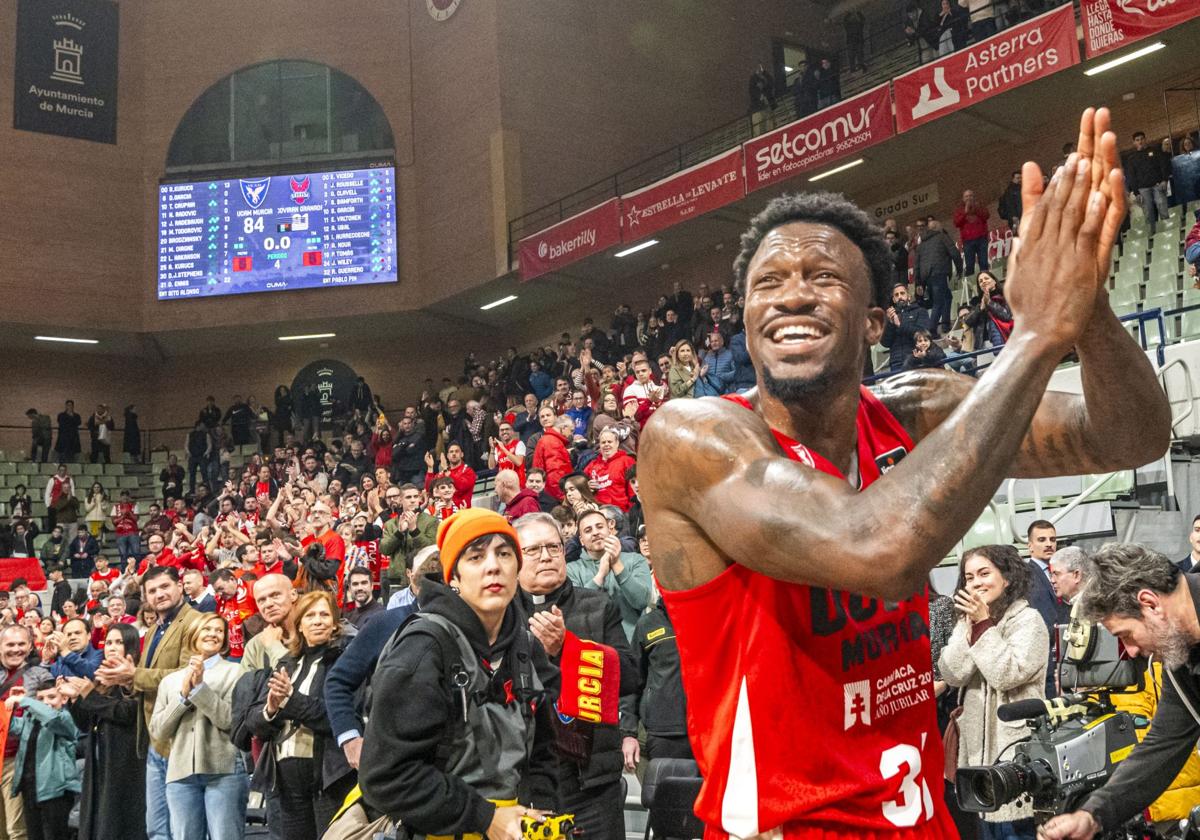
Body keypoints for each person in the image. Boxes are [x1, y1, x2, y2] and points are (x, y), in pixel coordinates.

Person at [636, 109, 1170, 839]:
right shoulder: (693, 437)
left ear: (874, 320)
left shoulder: (914, 410)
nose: (792, 295)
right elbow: (876, 552)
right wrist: (1038, 333)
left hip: (919, 817)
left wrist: (1087, 308)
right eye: (769, 284)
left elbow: (1130, 436)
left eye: (822, 278)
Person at [359, 509, 557, 837]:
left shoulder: (527, 647)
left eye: (504, 554)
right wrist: (485, 817)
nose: (493, 565)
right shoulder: (423, 647)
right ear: (453, 577)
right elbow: (385, 776)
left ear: (517, 568)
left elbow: (544, 755)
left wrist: (543, 814)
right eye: (475, 557)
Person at [1040, 545, 1200, 839]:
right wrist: (1093, 814)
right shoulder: (1181, 658)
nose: (1132, 651)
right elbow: (1164, 744)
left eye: (1125, 635)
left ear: (1150, 603)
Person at [514, 512, 637, 840]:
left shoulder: (598, 605)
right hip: (524, 783)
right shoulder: (501, 614)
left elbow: (630, 676)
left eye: (554, 547)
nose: (546, 556)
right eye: (534, 549)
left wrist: (566, 650)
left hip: (591, 783)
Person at [938, 545, 1046, 839]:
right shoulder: (968, 622)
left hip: (1015, 751)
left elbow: (1007, 674)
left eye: (984, 573)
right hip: (976, 759)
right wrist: (972, 626)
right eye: (968, 577)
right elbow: (952, 673)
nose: (975, 583)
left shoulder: (1029, 621)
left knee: (1016, 830)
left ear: (1007, 578)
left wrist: (984, 625)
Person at [94, 565, 201, 840]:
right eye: (152, 590)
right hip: (156, 740)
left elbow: (188, 676)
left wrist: (135, 675)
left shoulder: (196, 622)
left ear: (181, 586)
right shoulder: (154, 629)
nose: (159, 594)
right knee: (156, 830)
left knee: (184, 830)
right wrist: (126, 681)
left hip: (184, 739)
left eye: (165, 586)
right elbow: (143, 680)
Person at [247, 590, 355, 840]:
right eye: (310, 615)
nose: (318, 621)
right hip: (286, 781)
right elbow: (254, 721)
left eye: (324, 615)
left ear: (335, 623)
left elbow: (338, 717)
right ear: (300, 625)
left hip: (328, 779)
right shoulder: (286, 663)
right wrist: (271, 708)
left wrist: (291, 699)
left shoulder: (344, 661)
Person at [148, 613, 247, 840]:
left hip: (224, 772)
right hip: (180, 775)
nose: (212, 634)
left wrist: (200, 688)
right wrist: (183, 696)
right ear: (194, 634)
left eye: (218, 630)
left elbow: (229, 721)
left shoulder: (236, 672)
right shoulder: (170, 681)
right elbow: (159, 731)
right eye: (206, 629)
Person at [62, 622, 147, 840]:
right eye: (108, 642)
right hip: (99, 762)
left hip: (125, 763)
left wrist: (89, 695)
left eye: (119, 642)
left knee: (117, 823)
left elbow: (127, 713)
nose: (112, 647)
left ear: (131, 646)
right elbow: (84, 724)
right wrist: (75, 699)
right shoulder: (100, 678)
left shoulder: (137, 677)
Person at [5, 670, 82, 840]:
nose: (46, 703)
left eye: (51, 697)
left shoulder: (66, 719)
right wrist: (10, 707)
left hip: (56, 792)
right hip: (30, 788)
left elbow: (52, 718)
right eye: (41, 699)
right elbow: (9, 726)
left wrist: (27, 701)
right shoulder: (31, 719)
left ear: (64, 699)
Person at [0, 625, 53, 840]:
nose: (16, 649)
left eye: (21, 644)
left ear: (30, 646)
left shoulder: (41, 675)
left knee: (17, 830)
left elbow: (53, 714)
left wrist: (26, 702)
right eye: (10, 644)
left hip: (19, 761)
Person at [568, 509, 652, 641]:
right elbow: (576, 611)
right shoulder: (571, 569)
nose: (595, 532)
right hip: (594, 649)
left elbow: (642, 601)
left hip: (634, 645)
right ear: (581, 540)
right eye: (588, 530)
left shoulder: (635, 560)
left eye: (599, 527)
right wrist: (599, 576)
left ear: (610, 530)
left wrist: (617, 564)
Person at [1025, 520, 1070, 697]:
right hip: (1045, 653)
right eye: (1042, 540)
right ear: (1030, 546)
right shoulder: (1026, 575)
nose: (1049, 544)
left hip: (1064, 651)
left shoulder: (1063, 570)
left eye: (1052, 539)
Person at [915, 217, 963, 336]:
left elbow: (917, 265)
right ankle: (932, 329)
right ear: (937, 228)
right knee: (939, 302)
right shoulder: (942, 236)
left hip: (927, 277)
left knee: (947, 296)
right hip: (939, 272)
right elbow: (955, 253)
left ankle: (946, 324)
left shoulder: (921, 245)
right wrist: (960, 269)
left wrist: (919, 283)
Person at [1123, 130, 1171, 229]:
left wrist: (1164, 180)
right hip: (1143, 189)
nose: (1140, 141)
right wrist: (1136, 193)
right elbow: (1132, 177)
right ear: (1134, 142)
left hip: (1158, 185)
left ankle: (1168, 231)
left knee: (1163, 209)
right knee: (1148, 213)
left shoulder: (1155, 151)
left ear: (1145, 140)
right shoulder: (1132, 158)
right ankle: (1153, 236)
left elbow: (1163, 166)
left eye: (1142, 139)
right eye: (1137, 140)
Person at [881, 284, 933, 372]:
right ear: (893, 299)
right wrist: (890, 324)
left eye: (902, 293)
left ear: (909, 296)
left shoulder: (920, 311)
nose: (900, 297)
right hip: (896, 362)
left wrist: (900, 325)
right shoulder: (890, 317)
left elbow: (923, 333)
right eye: (896, 295)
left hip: (916, 358)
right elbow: (885, 343)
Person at [582, 430, 636, 512]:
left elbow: (633, 490)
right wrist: (587, 488)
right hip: (599, 513)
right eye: (603, 442)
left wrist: (632, 512)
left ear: (617, 443)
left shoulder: (627, 461)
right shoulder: (592, 465)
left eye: (609, 442)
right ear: (599, 445)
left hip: (622, 513)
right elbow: (580, 487)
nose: (606, 444)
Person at [954, 189, 991, 276]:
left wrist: (976, 208)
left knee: (984, 263)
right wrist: (965, 212)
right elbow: (956, 223)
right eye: (966, 196)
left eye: (970, 195)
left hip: (981, 238)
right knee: (970, 265)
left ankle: (986, 282)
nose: (969, 198)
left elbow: (986, 216)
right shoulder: (959, 209)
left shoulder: (979, 205)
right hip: (968, 241)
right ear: (963, 199)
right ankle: (971, 285)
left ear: (974, 197)